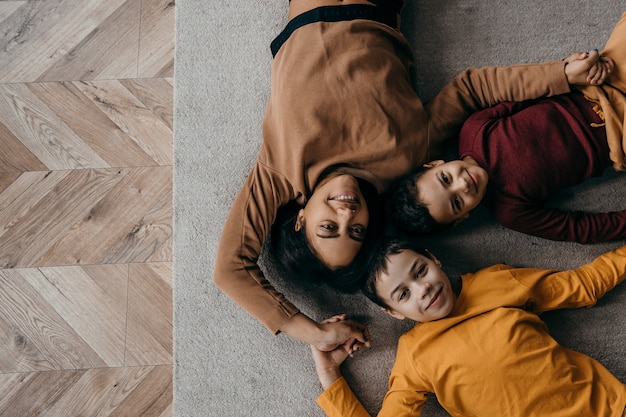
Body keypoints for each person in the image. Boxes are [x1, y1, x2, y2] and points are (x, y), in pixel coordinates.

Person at [214, 0, 607, 352]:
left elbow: (231, 269)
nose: (348, 215)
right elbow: (469, 91)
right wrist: (561, 75)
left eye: (329, 227)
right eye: (355, 231)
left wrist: (316, 333)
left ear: (300, 217)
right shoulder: (408, 164)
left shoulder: (283, 170)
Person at [311, 238, 626, 417]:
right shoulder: (414, 354)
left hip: (607, 408)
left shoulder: (497, 282)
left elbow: (582, 285)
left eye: (420, 271)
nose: (423, 289)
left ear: (434, 259)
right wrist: (329, 374)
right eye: (403, 294)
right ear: (392, 312)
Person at [388, 12, 626, 244]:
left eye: (445, 179)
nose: (463, 185)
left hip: (597, 85)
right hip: (618, 137)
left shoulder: (474, 130)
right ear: (461, 219)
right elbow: (578, 228)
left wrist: (565, 67)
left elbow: (529, 93)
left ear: (435, 164)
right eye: (457, 203)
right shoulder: (510, 211)